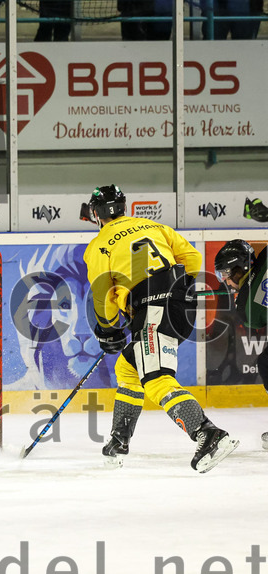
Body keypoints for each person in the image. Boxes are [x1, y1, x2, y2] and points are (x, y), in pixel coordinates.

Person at [82, 184, 238, 472]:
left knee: (155, 377)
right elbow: (191, 258)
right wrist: (178, 291)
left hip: (152, 307)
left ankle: (207, 432)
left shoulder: (99, 244)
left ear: (97, 214)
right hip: (180, 303)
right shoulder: (153, 225)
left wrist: (108, 330)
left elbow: (103, 290)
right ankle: (119, 439)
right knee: (129, 367)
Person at [214, 239, 268, 448]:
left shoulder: (247, 301)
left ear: (239, 268)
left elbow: (254, 320)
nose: (226, 282)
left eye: (226, 275)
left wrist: (244, 293)